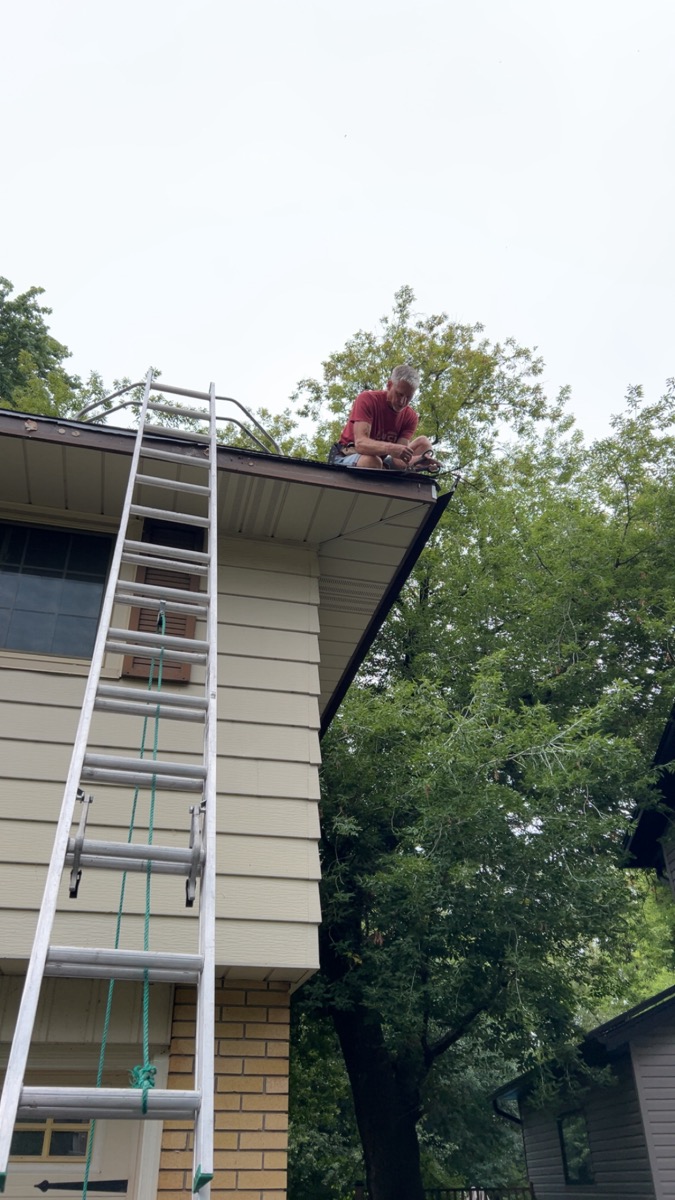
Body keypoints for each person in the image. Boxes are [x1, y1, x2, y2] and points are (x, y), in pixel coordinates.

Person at [330, 365, 439, 472]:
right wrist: (391, 448)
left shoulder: (410, 417)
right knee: (372, 462)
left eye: (408, 397)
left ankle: (394, 477)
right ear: (389, 385)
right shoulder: (367, 399)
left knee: (424, 443)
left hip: (379, 463)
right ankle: (384, 472)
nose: (402, 402)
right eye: (399, 394)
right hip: (347, 455)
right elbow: (360, 444)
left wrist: (419, 461)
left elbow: (398, 460)